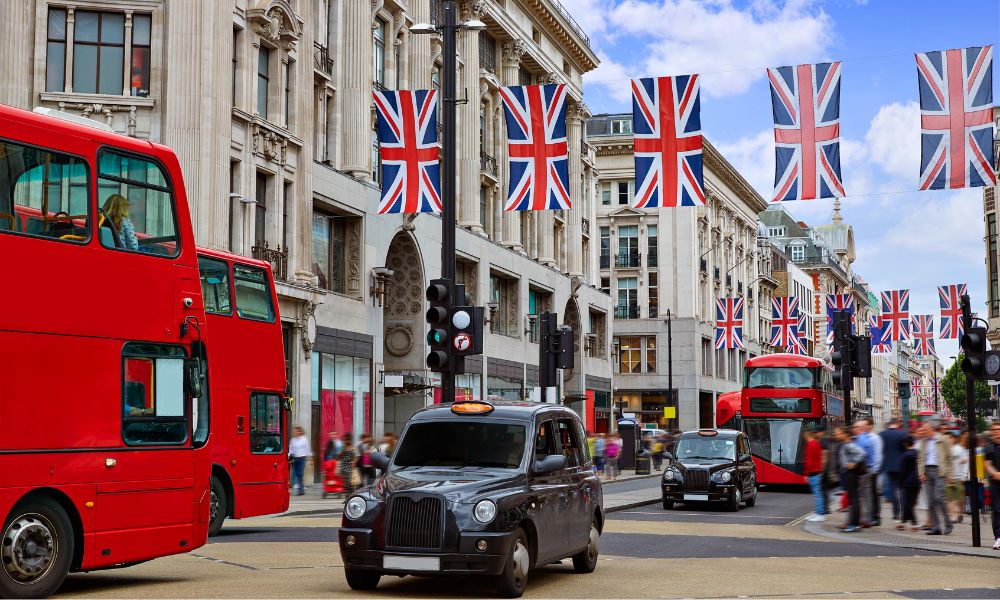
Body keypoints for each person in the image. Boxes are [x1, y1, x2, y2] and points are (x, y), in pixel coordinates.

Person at [917, 419, 953, 535]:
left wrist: (949, 473)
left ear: (932, 429)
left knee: (939, 498)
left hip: (939, 471)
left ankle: (948, 524)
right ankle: (936, 527)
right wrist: (921, 472)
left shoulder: (942, 440)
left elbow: (949, 457)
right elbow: (920, 458)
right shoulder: (924, 442)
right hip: (927, 471)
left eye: (926, 429)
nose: (924, 431)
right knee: (931, 500)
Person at [836, 426, 867, 533]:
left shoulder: (849, 445)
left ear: (845, 434)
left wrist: (853, 464)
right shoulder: (846, 445)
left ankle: (853, 524)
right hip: (849, 474)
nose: (837, 435)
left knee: (854, 500)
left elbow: (862, 453)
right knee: (853, 499)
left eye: (839, 433)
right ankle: (855, 523)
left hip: (850, 474)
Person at [853, 419, 883, 527]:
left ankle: (873, 518)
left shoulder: (872, 438)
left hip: (869, 470)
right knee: (869, 495)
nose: (854, 429)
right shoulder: (864, 438)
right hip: (869, 470)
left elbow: (877, 455)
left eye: (865, 425)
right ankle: (870, 518)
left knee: (870, 496)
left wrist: (875, 470)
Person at [880, 419, 907, 521]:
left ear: (888, 425)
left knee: (892, 489)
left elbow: (881, 450)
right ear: (897, 424)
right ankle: (904, 511)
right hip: (901, 466)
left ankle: (896, 513)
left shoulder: (882, 434)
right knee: (902, 489)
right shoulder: (902, 434)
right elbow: (905, 450)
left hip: (888, 466)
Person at [898, 435, 922, 532]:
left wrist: (900, 483)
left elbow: (903, 471)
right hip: (918, 481)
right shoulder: (919, 454)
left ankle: (914, 524)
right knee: (910, 503)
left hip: (908, 482)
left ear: (905, 444)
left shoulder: (904, 456)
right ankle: (902, 522)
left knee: (908, 504)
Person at [983, 421, 1000, 550]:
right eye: (994, 429)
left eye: (998, 429)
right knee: (997, 510)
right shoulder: (989, 447)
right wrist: (994, 473)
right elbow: (987, 463)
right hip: (995, 483)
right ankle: (998, 538)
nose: (996, 432)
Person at [804, 428, 826, 521]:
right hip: (817, 472)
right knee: (818, 494)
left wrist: (806, 474)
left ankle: (820, 514)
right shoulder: (817, 443)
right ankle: (817, 512)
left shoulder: (810, 444)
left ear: (808, 436)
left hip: (813, 473)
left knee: (817, 494)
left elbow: (809, 461)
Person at [947, 432, 968, 523]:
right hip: (948, 477)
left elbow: (965, 462)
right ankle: (953, 516)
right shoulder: (944, 450)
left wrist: (964, 475)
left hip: (959, 477)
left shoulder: (960, 449)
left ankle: (960, 513)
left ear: (953, 439)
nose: (948, 440)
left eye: (949, 438)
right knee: (950, 498)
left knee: (960, 498)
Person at [288, 426, 312, 496]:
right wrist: (289, 455)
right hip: (294, 458)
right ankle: (297, 487)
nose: (295, 432)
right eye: (295, 431)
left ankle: (301, 490)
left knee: (300, 474)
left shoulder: (304, 439)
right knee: (295, 473)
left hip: (302, 458)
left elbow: (308, 449)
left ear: (300, 431)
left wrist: (310, 458)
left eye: (297, 431)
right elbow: (290, 449)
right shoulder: (293, 440)